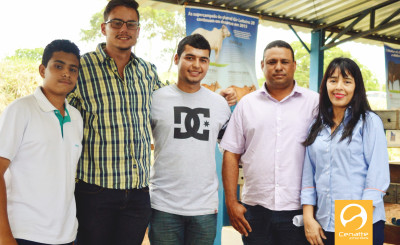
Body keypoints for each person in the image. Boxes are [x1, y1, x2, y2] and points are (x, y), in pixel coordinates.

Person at [67, 1, 236, 244]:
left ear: (138, 30)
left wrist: (218, 97)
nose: (124, 29)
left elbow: (183, 99)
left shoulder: (147, 72)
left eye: (131, 24)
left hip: (138, 196)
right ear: (104, 28)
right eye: (117, 22)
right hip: (96, 191)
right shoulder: (81, 68)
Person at [220, 40, 319, 245]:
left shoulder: (314, 103)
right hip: (255, 210)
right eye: (272, 61)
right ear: (262, 65)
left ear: (294, 65)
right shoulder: (247, 104)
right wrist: (231, 202)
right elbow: (231, 153)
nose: (278, 67)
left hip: (301, 208)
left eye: (284, 61)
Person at [148, 34, 231, 245]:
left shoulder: (219, 104)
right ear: (177, 59)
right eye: (190, 58)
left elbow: (231, 149)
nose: (196, 65)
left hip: (204, 207)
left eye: (203, 60)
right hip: (163, 206)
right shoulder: (155, 99)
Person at [0, 39, 82, 245]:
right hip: (24, 234)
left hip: (66, 236)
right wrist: (4, 236)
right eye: (58, 66)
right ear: (42, 70)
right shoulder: (21, 109)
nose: (66, 73)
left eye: (73, 69)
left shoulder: (76, 117)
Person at [301, 57, 390, 245]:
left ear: (356, 87)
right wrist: (309, 218)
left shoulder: (368, 122)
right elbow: (308, 178)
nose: (339, 87)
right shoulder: (316, 127)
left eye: (347, 81)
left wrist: (352, 226)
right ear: (325, 85)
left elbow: (377, 178)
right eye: (333, 80)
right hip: (323, 223)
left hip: (358, 220)